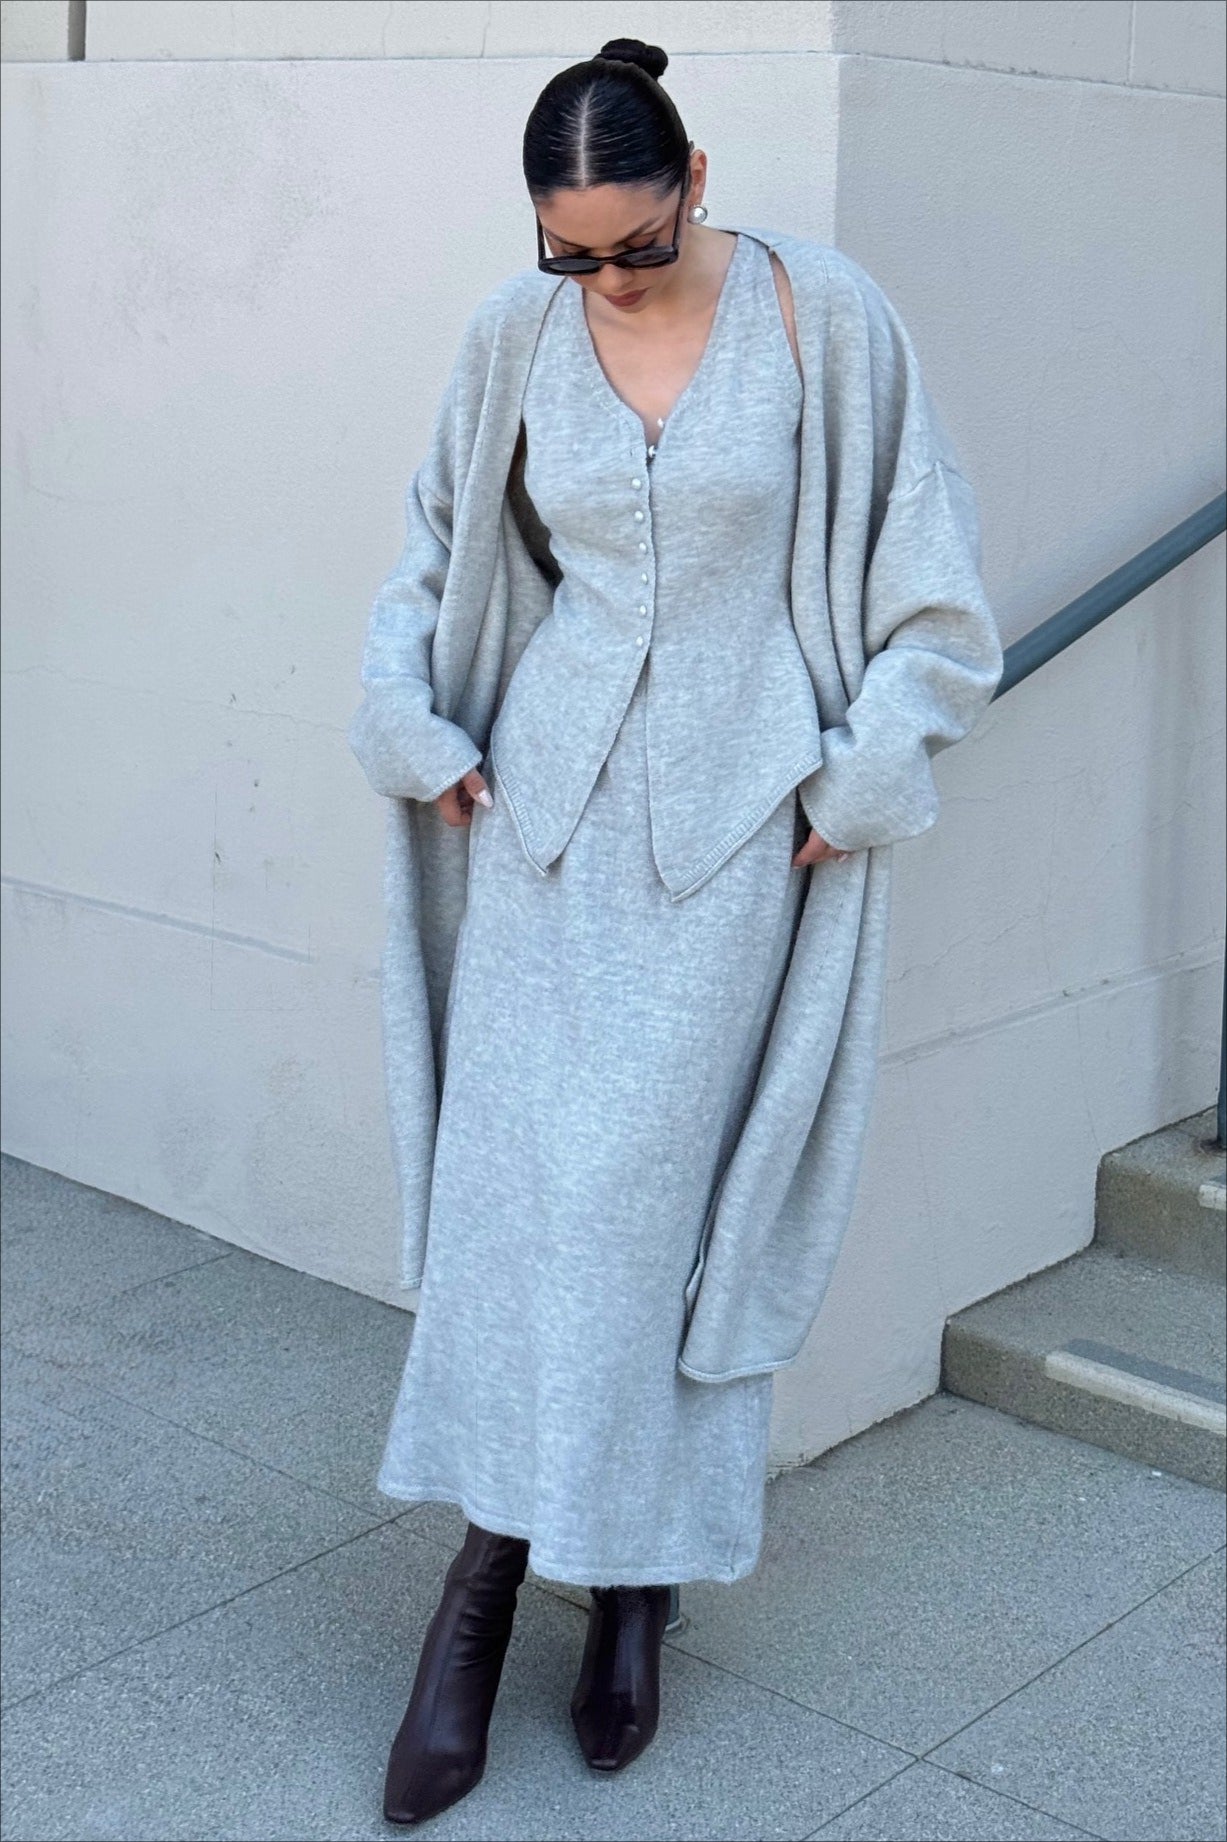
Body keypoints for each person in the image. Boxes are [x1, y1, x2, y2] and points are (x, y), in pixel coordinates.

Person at [346, 35, 1004, 1828]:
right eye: (569, 252)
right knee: (515, 1211)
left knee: (652, 1218)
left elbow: (935, 586)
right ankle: (482, 1590)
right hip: (543, 832)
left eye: (634, 243)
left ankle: (637, 1579)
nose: (606, 279)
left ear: (695, 179)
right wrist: (414, 723)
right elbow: (430, 552)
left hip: (733, 840)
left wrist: (862, 775)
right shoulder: (515, 332)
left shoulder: (821, 318)